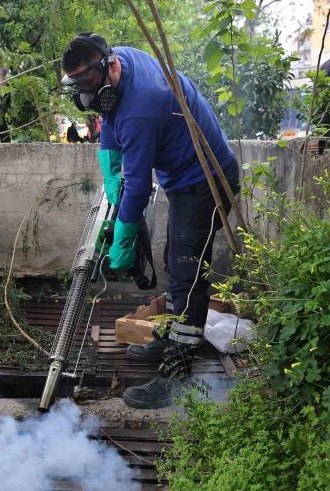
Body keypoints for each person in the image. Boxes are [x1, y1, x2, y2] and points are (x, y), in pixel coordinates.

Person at [61, 32, 240, 409]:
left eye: (88, 83)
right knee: (177, 260)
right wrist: (110, 166)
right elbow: (109, 118)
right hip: (184, 178)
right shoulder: (122, 60)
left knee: (186, 273)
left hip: (206, 180)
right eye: (77, 85)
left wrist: (124, 236)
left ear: (108, 66)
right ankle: (173, 335)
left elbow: (139, 187)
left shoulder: (141, 108)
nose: (85, 94)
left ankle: (176, 373)